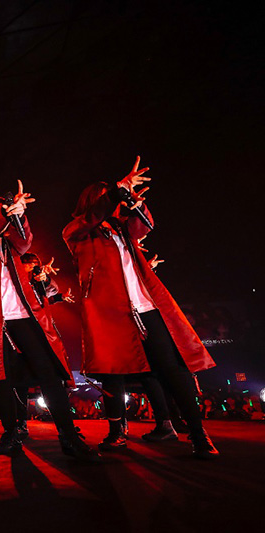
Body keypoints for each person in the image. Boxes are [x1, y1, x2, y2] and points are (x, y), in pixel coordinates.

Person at [62, 156, 218, 459]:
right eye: (105, 199)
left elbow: (145, 224)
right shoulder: (77, 233)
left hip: (146, 308)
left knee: (173, 371)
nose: (112, 204)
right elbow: (89, 219)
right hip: (110, 314)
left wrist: (133, 201)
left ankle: (199, 434)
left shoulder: (123, 229)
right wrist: (114, 194)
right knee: (111, 372)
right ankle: (117, 432)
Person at [0, 181, 98, 460]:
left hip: (23, 317)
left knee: (49, 374)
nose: (5, 215)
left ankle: (69, 437)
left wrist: (19, 215)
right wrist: (2, 215)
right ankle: (11, 434)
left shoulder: (12, 245)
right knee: (1, 380)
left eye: (7, 211)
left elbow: (26, 240)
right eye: (0, 212)